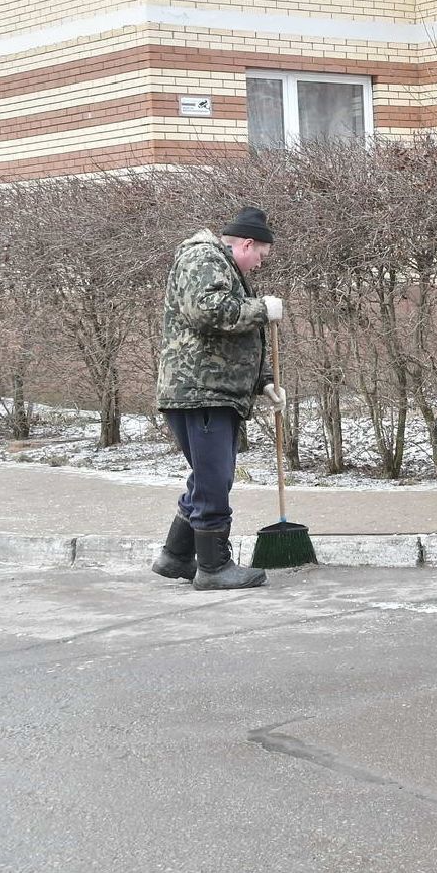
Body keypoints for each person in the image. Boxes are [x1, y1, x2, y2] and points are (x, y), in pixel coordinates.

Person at [151, 207, 287, 589]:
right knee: (214, 479)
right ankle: (213, 567)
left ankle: (176, 556)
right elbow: (207, 312)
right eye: (259, 255)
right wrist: (262, 309)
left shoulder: (224, 267)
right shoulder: (204, 257)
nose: (259, 264)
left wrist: (264, 382)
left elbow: (236, 337)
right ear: (245, 244)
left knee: (210, 477)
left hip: (212, 391)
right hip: (201, 392)